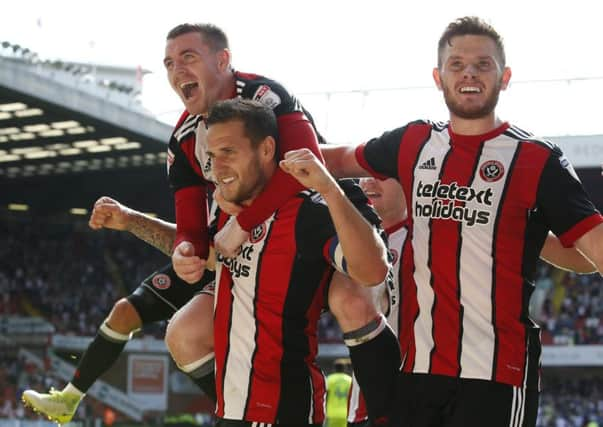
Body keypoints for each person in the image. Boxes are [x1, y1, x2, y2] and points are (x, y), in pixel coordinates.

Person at [321, 16, 603, 427]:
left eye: (483, 64)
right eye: (456, 64)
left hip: (497, 373)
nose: (469, 73)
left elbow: (593, 247)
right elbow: (337, 158)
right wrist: (260, 147)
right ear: (438, 77)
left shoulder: (538, 160)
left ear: (504, 77)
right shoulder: (413, 142)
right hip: (417, 371)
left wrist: (525, 233)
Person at [164, 23, 401, 426]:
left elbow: (307, 166)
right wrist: (185, 251)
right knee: (183, 333)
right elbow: (190, 227)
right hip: (256, 233)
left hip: (315, 211)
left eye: (188, 57)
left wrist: (243, 224)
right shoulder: (183, 138)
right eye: (169, 63)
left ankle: (390, 417)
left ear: (223, 61)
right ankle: (247, 410)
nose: (177, 70)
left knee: (352, 301)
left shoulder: (265, 95)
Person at [202, 98, 388, 426]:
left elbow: (372, 270)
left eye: (228, 152)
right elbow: (206, 256)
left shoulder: (307, 212)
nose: (218, 168)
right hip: (231, 412)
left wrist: (330, 190)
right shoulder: (227, 209)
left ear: (266, 149)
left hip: (280, 412)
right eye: (212, 156)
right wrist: (131, 221)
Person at [21, 198, 218, 424]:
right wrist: (131, 220)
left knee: (186, 336)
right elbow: (195, 238)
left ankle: (243, 414)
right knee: (124, 312)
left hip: (239, 266)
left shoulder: (240, 174)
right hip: (207, 257)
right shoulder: (195, 169)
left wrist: (131, 220)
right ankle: (68, 399)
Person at [325, 359, 352, 427]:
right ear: (345, 369)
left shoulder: (329, 379)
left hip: (332, 412)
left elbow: (325, 396)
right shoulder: (350, 380)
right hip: (346, 412)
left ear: (334, 368)